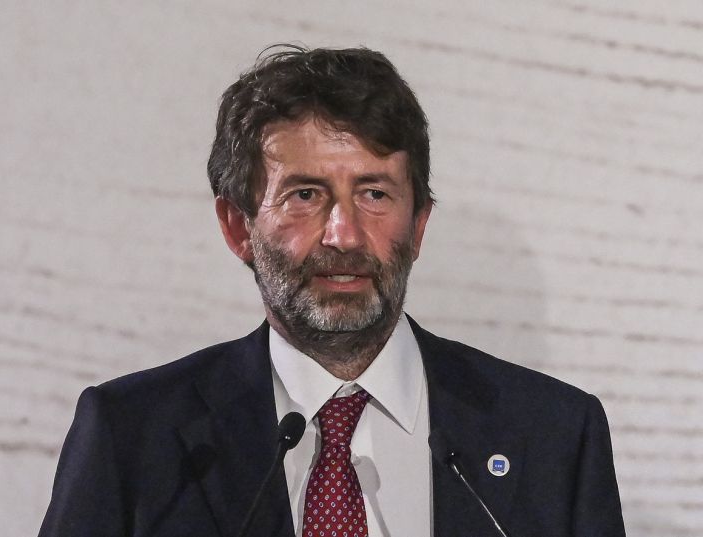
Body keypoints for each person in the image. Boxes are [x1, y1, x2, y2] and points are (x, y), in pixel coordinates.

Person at [38, 45, 626, 537]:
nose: (344, 235)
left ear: (419, 225)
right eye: (305, 195)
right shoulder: (133, 436)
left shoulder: (555, 436)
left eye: (374, 194)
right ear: (238, 227)